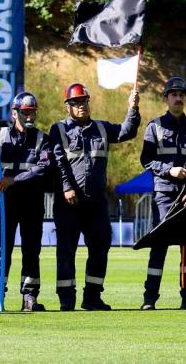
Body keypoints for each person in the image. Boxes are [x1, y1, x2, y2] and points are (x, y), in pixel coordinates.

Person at [50, 83, 140, 311]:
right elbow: (59, 162)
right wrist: (67, 187)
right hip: (69, 203)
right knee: (66, 252)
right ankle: (66, 300)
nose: (81, 106)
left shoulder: (101, 128)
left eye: (84, 102)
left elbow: (126, 131)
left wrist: (133, 108)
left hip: (96, 203)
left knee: (100, 248)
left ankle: (92, 297)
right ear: (67, 107)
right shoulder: (58, 130)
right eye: (76, 103)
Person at [140, 77, 186, 310]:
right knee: (159, 247)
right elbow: (146, 160)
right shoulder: (154, 126)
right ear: (166, 98)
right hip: (165, 195)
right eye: (174, 94)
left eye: (182, 94)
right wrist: (170, 170)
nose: (178, 98)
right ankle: (150, 298)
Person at [0, 92, 50, 312]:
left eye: (33, 112)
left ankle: (29, 298)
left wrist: (13, 179)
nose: (30, 116)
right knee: (1, 251)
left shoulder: (42, 139)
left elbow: (43, 169)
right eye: (25, 112)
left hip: (32, 204)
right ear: (15, 113)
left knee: (31, 250)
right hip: (4, 204)